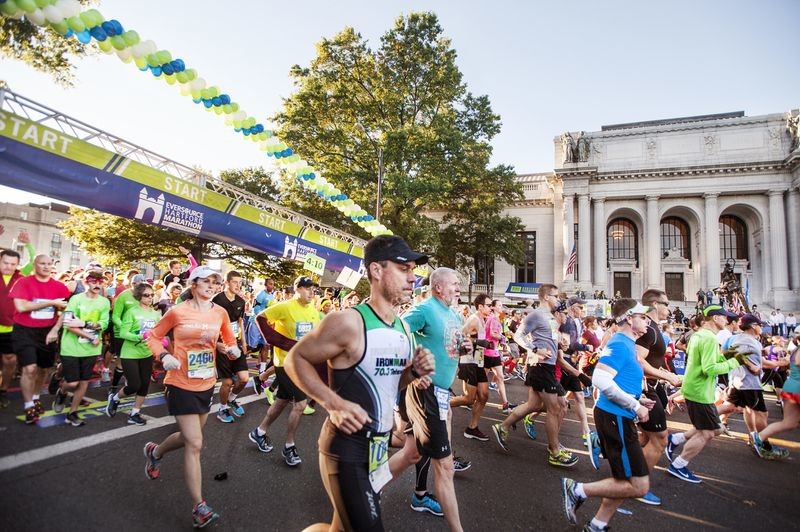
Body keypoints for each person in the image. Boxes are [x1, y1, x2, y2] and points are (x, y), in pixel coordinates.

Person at [284, 235, 438, 531]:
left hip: (378, 448)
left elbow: (391, 383)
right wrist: (333, 403)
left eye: (412, 270)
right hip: (346, 448)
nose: (412, 277)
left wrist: (414, 373)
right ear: (376, 270)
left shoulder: (403, 328)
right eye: (403, 268)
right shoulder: (348, 322)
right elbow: (295, 359)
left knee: (341, 528)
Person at [142, 265, 239, 528]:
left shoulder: (220, 312)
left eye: (215, 282)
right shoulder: (178, 311)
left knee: (188, 438)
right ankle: (199, 507)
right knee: (195, 443)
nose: (211, 286)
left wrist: (231, 349)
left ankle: (155, 451)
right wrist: (164, 355)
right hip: (179, 381)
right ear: (194, 284)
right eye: (206, 281)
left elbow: (228, 340)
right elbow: (153, 337)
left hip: (206, 382)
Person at [561, 299, 655, 532]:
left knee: (622, 480)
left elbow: (618, 379)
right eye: (643, 317)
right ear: (629, 318)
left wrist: (637, 398)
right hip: (615, 417)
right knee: (639, 485)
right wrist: (635, 405)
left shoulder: (627, 343)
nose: (648, 321)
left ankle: (597, 524)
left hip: (618, 415)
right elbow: (601, 379)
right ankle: (577, 490)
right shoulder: (620, 344)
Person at [401, 266, 471, 530]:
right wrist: (412, 370)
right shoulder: (424, 309)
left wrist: (464, 346)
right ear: (438, 287)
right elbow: (397, 332)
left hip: (442, 393)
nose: (458, 288)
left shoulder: (454, 314)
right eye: (454, 284)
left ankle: (370, 487)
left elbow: (453, 345)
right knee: (445, 465)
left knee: (412, 452)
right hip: (425, 392)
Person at [492, 284, 578, 467]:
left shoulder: (550, 317)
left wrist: (560, 343)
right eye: (555, 296)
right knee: (555, 408)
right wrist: (536, 349)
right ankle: (554, 451)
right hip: (541, 366)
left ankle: (503, 427)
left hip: (547, 366)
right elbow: (518, 336)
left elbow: (548, 338)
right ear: (546, 296)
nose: (558, 300)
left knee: (536, 405)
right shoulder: (536, 314)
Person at [664, 305, 744, 483]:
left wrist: (729, 355)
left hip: (697, 389)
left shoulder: (699, 335)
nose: (727, 320)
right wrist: (735, 362)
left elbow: (708, 360)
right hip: (700, 392)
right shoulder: (708, 338)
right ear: (715, 318)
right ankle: (678, 465)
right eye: (724, 316)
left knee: (715, 428)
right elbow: (710, 368)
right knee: (708, 432)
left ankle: (675, 439)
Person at [248, 275, 321, 467]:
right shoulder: (285, 307)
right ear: (297, 289)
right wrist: (280, 342)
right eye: (307, 288)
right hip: (285, 363)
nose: (311, 291)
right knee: (300, 404)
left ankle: (259, 432)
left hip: (302, 363)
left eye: (312, 288)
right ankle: (289, 446)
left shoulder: (313, 310)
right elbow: (260, 318)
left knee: (281, 401)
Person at [632, 289, 682, 506]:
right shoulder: (649, 329)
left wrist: (663, 375)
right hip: (645, 388)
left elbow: (649, 360)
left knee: (645, 436)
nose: (669, 309)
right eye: (666, 304)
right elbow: (638, 360)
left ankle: (626, 469)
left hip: (652, 386)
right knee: (660, 438)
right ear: (654, 304)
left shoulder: (652, 328)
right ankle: (637, 485)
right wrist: (666, 376)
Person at [9, 255, 69, 424]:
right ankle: (29, 405)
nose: (46, 266)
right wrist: (51, 302)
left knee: (43, 369)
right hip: (24, 330)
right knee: (30, 369)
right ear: (35, 265)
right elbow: (21, 306)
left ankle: (35, 397)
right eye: (42, 263)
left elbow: (65, 310)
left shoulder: (59, 287)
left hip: (47, 331)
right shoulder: (23, 283)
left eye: (49, 264)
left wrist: (55, 329)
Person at [52, 270, 110, 426]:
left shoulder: (104, 302)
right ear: (85, 282)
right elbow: (69, 324)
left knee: (84, 382)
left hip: (91, 349)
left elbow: (103, 324)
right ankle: (62, 391)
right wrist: (90, 335)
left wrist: (83, 323)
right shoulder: (76, 299)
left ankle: (72, 413)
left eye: (100, 282)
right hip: (71, 347)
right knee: (72, 383)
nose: (97, 285)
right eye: (93, 281)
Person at [105, 282, 161, 425]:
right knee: (134, 385)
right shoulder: (132, 312)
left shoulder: (156, 314)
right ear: (138, 296)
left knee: (145, 385)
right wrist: (139, 337)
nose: (150, 298)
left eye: (152, 295)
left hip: (146, 353)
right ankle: (115, 398)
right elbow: (123, 333)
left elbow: (158, 333)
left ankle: (135, 413)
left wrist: (161, 341)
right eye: (146, 295)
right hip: (130, 353)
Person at [751, 332, 800, 459]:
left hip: (791, 387)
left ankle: (759, 438)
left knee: (789, 423)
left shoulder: (794, 350)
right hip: (796, 389)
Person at [450, 294, 491, 441]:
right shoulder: (473, 319)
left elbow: (476, 339)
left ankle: (472, 428)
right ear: (480, 306)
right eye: (488, 305)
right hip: (468, 361)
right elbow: (459, 335)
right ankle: (435, 406)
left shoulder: (483, 319)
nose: (491, 308)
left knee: (484, 395)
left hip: (478, 361)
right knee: (469, 399)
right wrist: (477, 342)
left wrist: (483, 343)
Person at [213, 271, 249, 423]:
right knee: (227, 382)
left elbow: (240, 323)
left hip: (236, 344)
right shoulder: (217, 300)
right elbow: (211, 324)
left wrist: (244, 342)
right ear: (227, 283)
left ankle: (232, 399)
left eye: (240, 282)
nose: (238, 285)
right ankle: (222, 409)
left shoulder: (241, 301)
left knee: (244, 379)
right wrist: (216, 343)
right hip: (222, 345)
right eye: (235, 282)